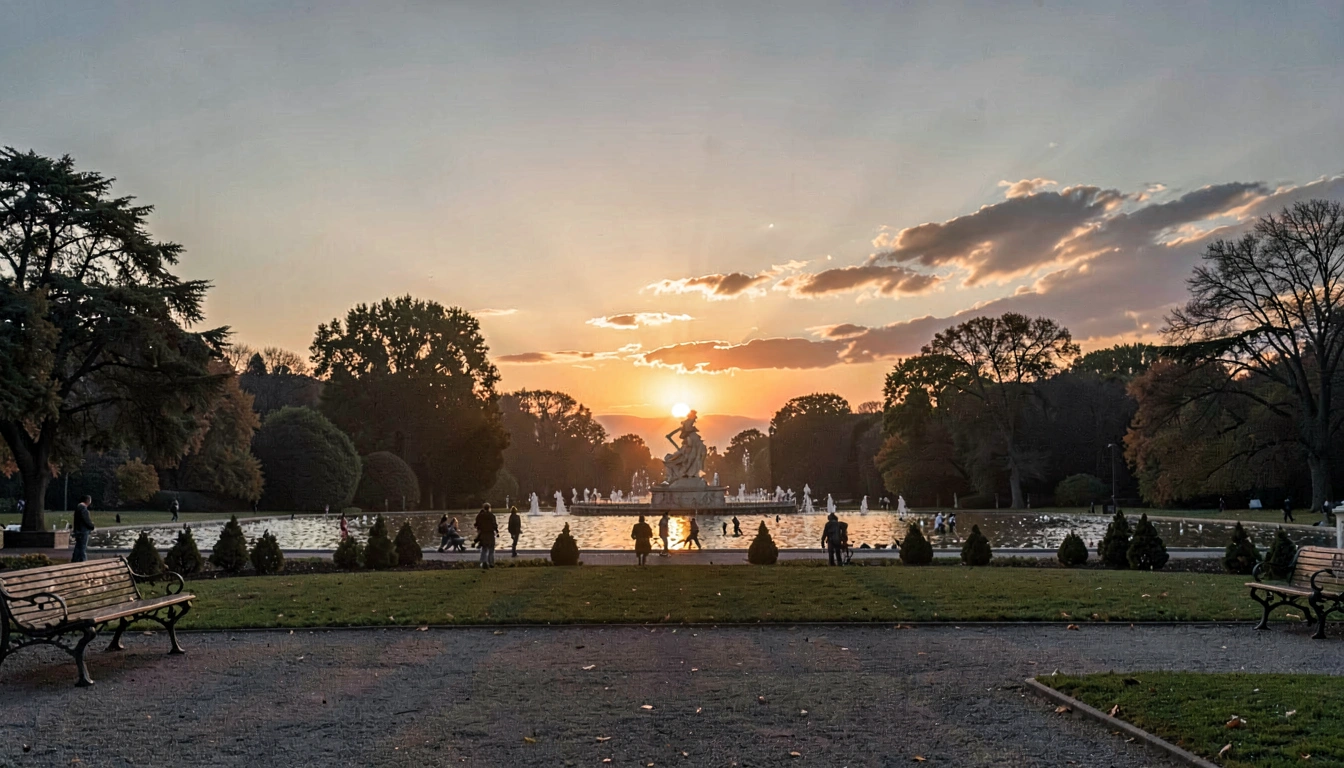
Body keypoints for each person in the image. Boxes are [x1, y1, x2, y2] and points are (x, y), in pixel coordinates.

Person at [71, 495, 95, 563]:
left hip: (78, 530)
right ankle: (83, 561)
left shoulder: (78, 508)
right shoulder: (83, 509)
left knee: (78, 546)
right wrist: (92, 526)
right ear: (88, 501)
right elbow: (86, 520)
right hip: (83, 531)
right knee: (82, 547)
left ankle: (75, 560)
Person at [474, 504, 498, 569]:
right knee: (491, 549)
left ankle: (483, 562)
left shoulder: (480, 516)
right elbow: (494, 525)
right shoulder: (492, 516)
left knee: (484, 549)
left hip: (483, 534)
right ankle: (491, 562)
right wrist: (497, 531)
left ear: (484, 508)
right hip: (490, 534)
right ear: (489, 508)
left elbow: (476, 524)